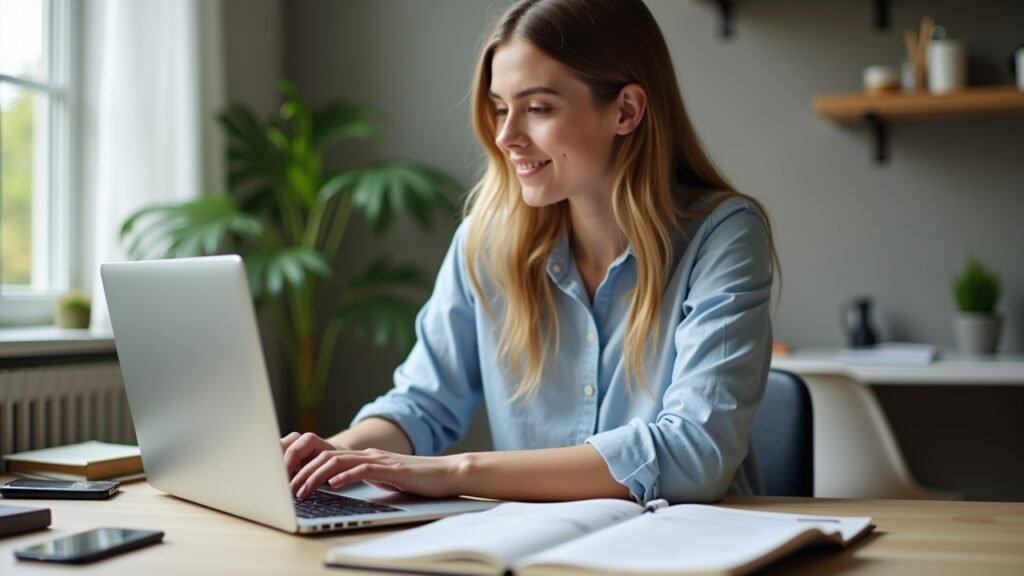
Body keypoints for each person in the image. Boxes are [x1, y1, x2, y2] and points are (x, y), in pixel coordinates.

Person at [282, 0, 777, 505]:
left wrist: (454, 471)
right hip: (535, 550)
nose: (505, 136)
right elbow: (420, 406)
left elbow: (694, 456)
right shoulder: (486, 240)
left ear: (625, 110)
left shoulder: (724, 235)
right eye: (500, 107)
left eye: (537, 108)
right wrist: (324, 459)